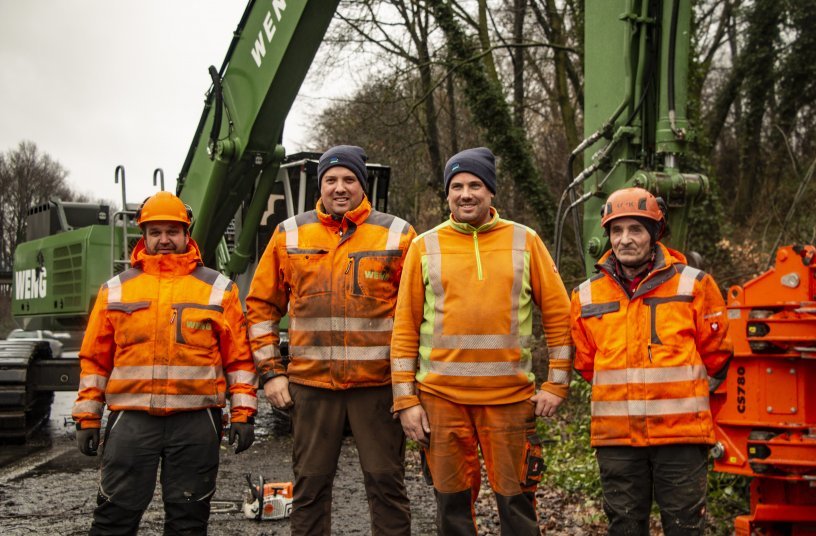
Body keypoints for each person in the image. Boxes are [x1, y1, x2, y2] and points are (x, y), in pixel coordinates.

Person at [391, 147, 574, 535]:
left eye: (475, 184)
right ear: (447, 195)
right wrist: (406, 400)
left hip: (509, 401)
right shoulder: (425, 246)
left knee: (517, 505)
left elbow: (559, 316)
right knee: (452, 508)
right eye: (456, 186)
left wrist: (557, 383)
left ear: (491, 192)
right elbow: (404, 329)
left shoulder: (525, 241)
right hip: (442, 401)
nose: (466, 194)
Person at [246, 145, 415, 535]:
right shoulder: (289, 234)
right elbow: (260, 307)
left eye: (349, 179)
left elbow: (418, 314)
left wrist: (410, 386)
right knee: (310, 489)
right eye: (331, 180)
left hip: (377, 387)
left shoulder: (398, 234)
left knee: (386, 486)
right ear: (320, 186)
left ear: (363, 183)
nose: (340, 188)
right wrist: (271, 373)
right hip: (312, 386)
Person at [72, 191, 258, 535]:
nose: (164, 240)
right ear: (143, 236)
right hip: (131, 420)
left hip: (196, 422)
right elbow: (95, 361)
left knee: (188, 523)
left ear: (187, 234)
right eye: (155, 232)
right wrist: (87, 418)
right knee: (114, 518)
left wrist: (244, 414)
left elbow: (240, 360)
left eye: (172, 231)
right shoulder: (116, 290)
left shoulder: (219, 290)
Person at [570, 187, 732, 535]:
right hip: (617, 441)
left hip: (682, 440)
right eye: (616, 230)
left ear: (654, 233)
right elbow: (586, 364)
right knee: (624, 527)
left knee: (686, 527)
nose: (625, 239)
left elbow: (718, 356)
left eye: (635, 230)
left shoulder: (695, 285)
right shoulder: (585, 296)